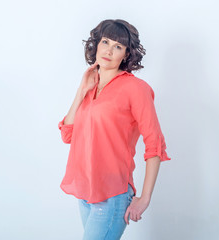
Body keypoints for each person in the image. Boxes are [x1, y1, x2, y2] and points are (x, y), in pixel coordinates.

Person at [57, 19, 171, 240]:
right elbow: (68, 134)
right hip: (85, 193)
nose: (108, 50)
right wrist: (82, 90)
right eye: (105, 42)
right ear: (96, 44)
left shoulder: (136, 89)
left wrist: (145, 198)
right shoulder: (90, 85)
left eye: (117, 46)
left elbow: (154, 142)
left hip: (112, 195)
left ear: (126, 54)